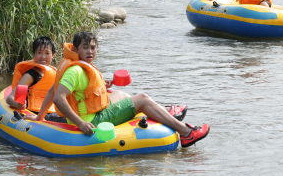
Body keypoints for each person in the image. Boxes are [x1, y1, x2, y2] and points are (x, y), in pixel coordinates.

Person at [51, 31, 209, 147]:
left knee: (120, 94)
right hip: (91, 120)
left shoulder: (77, 65)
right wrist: (80, 123)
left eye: (93, 47)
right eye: (85, 48)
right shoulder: (75, 71)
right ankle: (187, 133)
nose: (90, 51)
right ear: (76, 49)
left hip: (90, 112)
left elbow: (65, 90)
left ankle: (165, 113)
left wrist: (101, 86)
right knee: (142, 98)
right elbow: (58, 98)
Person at [6, 36, 57, 120]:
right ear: (34, 54)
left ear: (53, 55)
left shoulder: (55, 73)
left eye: (47, 53)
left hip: (51, 112)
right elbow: (9, 99)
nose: (43, 57)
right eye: (39, 53)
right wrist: (18, 104)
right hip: (33, 113)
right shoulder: (30, 76)